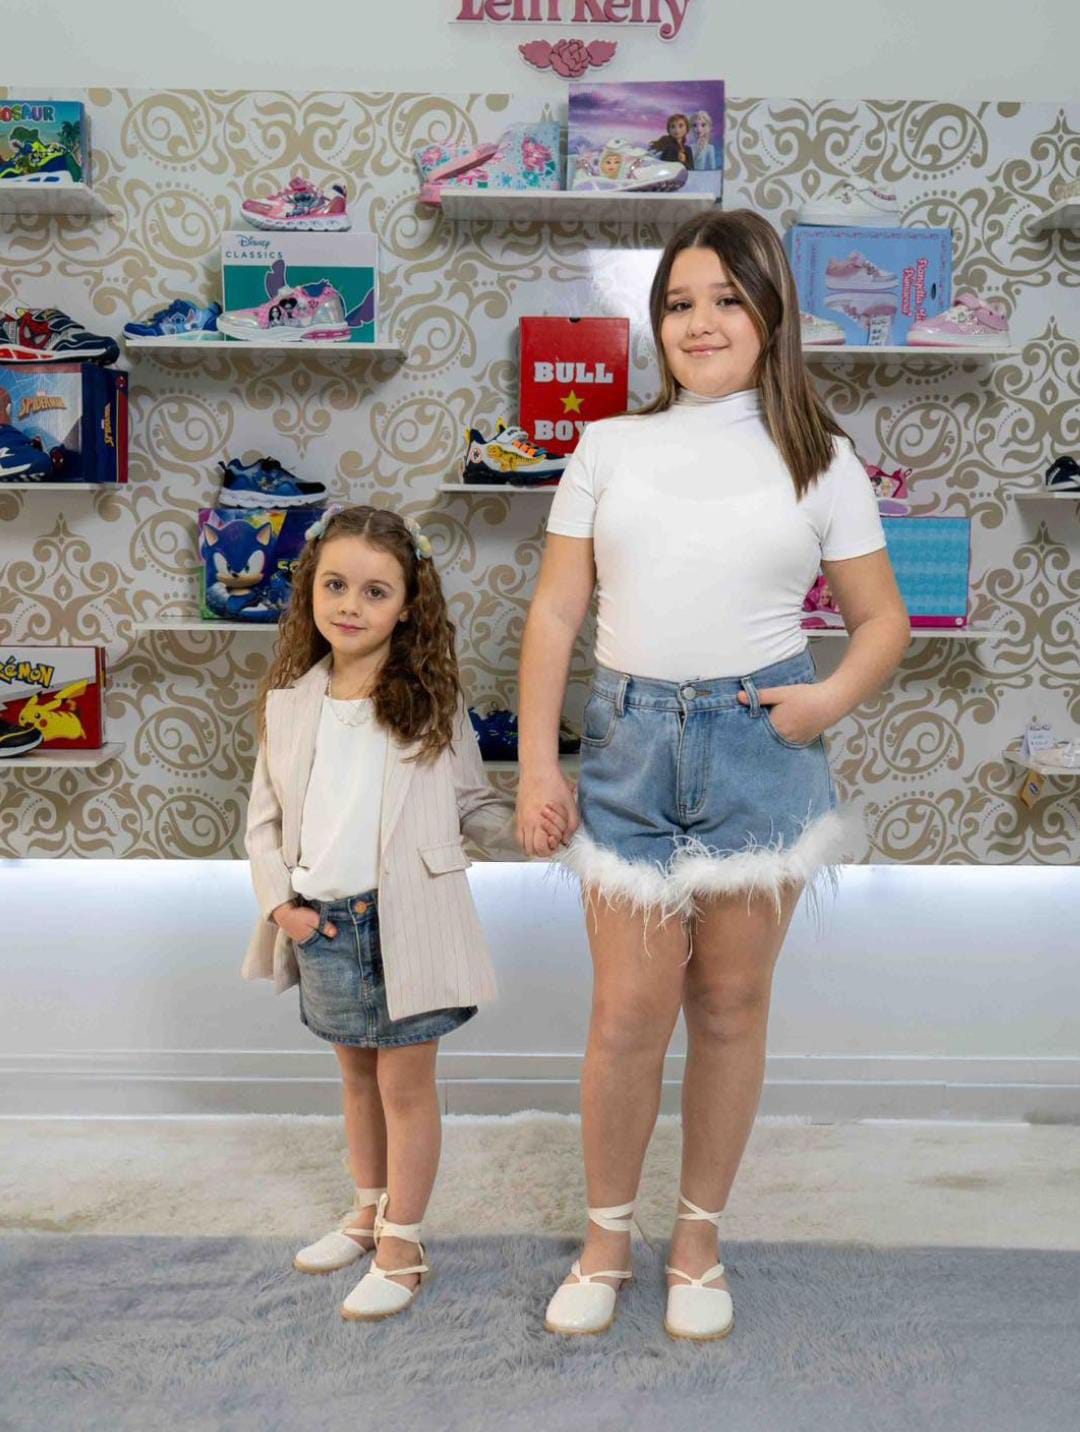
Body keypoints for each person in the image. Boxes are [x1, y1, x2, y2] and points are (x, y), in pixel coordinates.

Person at [516, 210, 910, 1341]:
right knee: (627, 1013)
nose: (701, 322)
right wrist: (539, 765)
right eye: (680, 303)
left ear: (771, 313)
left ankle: (697, 1240)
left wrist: (824, 702)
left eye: (727, 299)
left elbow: (882, 623)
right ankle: (606, 1240)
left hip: (758, 745)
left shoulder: (822, 460)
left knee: (730, 1008)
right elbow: (556, 613)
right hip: (631, 744)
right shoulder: (609, 448)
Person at [243, 504, 566, 1323]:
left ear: (408, 605)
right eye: (335, 585)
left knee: (406, 1087)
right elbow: (263, 821)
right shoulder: (288, 702)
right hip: (321, 924)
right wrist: (282, 906)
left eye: (374, 591)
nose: (350, 605)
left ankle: (404, 1242)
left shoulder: (429, 703)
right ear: (309, 591)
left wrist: (532, 830)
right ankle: (368, 1210)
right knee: (356, 1078)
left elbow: (470, 804)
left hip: (406, 923)